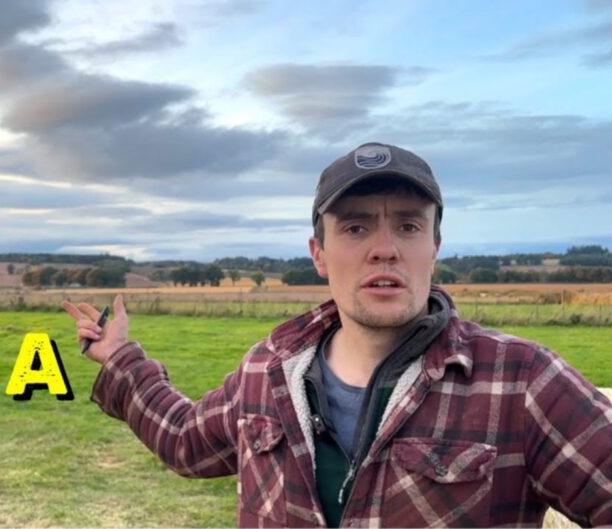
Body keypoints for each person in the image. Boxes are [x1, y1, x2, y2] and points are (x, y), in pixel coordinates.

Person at [61, 142, 612, 527]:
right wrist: (121, 360)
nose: (384, 247)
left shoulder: (523, 384)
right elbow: (185, 441)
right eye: (354, 226)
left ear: (434, 248)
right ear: (318, 254)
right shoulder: (268, 371)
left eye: (409, 225)